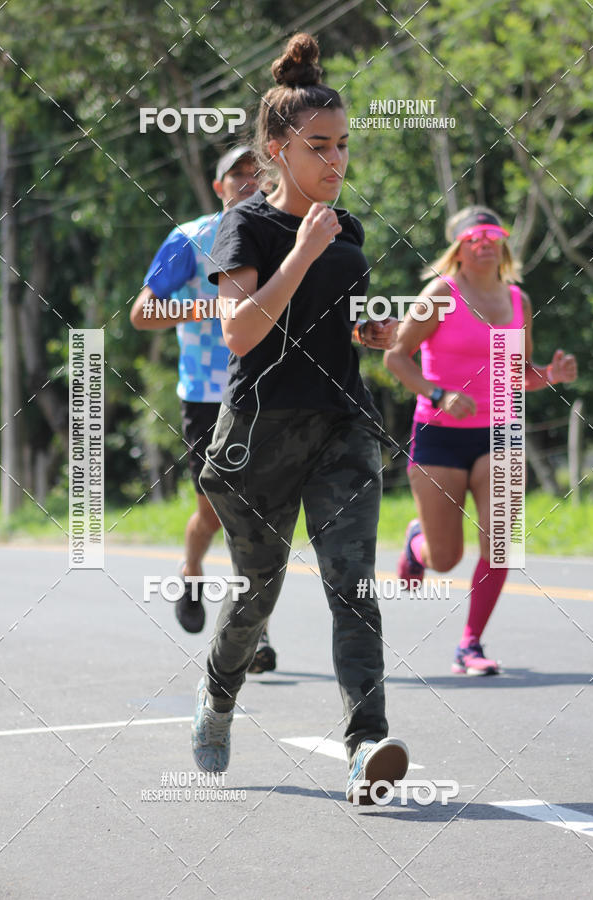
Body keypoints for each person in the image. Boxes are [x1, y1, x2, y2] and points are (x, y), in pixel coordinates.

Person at [190, 32, 406, 804]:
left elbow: (326, 322)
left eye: (344, 146)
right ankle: (218, 701)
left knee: (354, 585)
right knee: (258, 591)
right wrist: (302, 256)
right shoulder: (246, 227)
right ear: (278, 150)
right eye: (319, 147)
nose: (336, 162)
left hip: (342, 421)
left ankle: (366, 746)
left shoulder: (344, 230)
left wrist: (370, 334)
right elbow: (242, 331)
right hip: (259, 432)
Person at [384, 206, 577, 675]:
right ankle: (418, 544)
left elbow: (518, 372)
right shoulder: (440, 294)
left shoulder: (517, 300)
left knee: (503, 543)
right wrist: (438, 394)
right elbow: (395, 356)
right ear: (459, 247)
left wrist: (549, 374)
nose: (485, 241)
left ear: (503, 243)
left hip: (501, 433)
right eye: (474, 236)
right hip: (440, 436)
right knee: (445, 558)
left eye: (493, 234)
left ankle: (469, 644)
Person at [130, 147, 277, 673]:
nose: (248, 181)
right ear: (219, 187)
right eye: (236, 175)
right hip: (206, 395)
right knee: (214, 513)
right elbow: (142, 312)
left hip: (265, 391)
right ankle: (191, 569)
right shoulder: (190, 238)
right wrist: (210, 306)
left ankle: (254, 636)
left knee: (256, 514)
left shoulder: (281, 233)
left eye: (256, 172)